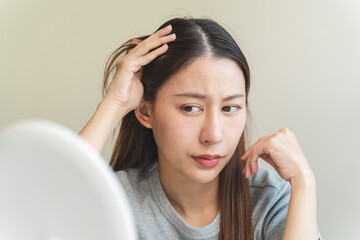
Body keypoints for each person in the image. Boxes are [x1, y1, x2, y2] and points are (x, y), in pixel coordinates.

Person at [78, 17, 323, 240]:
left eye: (229, 108)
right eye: (190, 108)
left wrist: (304, 181)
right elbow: (46, 209)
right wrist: (114, 104)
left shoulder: (268, 199)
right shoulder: (115, 200)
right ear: (145, 111)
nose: (213, 135)